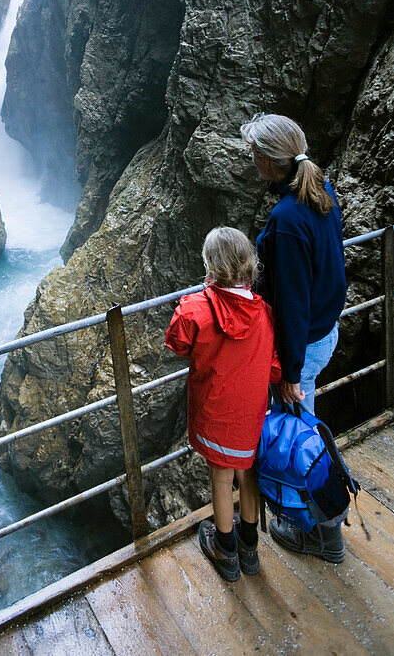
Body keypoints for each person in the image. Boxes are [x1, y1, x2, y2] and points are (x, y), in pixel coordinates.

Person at [241, 111, 348, 561]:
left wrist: (289, 371)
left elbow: (292, 302)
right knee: (304, 430)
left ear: (268, 160)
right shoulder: (322, 193)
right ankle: (312, 518)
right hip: (325, 332)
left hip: (302, 345)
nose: (250, 158)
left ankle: (325, 534)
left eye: (254, 152)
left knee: (302, 439)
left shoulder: (286, 217)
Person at [165, 227, 281, 582]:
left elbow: (177, 343)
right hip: (250, 412)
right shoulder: (263, 312)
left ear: (210, 265)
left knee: (221, 477)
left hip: (215, 411)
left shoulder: (195, 308)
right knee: (248, 471)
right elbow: (273, 365)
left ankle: (226, 550)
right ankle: (249, 546)